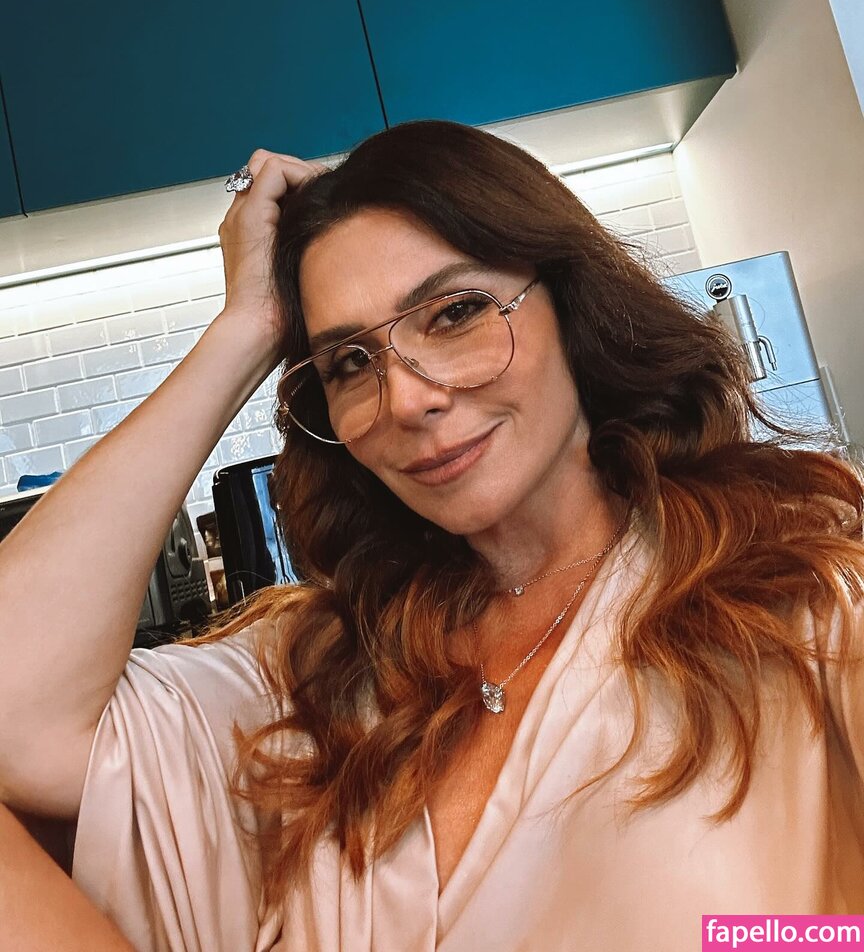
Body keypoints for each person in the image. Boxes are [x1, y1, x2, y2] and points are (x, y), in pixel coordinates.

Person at [1, 120, 863, 952]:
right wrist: (245, 329)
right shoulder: (309, 676)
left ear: (573, 307)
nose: (407, 399)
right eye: (349, 363)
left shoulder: (803, 593)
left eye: (454, 314)